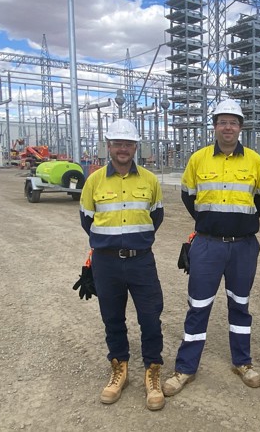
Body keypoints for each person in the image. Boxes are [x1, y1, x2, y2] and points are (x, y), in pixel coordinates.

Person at [163, 99, 260, 396]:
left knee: (240, 305)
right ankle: (186, 367)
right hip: (207, 245)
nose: (228, 127)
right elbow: (188, 195)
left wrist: (237, 224)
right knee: (198, 306)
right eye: (222, 122)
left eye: (233, 122)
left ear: (240, 127)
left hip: (243, 247)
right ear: (214, 126)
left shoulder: (255, 161)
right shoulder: (198, 160)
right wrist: (209, 222)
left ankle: (242, 362)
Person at [79, 118, 166, 411]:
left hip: (141, 261)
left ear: (135, 147)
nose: (123, 149)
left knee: (150, 317)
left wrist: (135, 240)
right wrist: (109, 242)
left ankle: (152, 370)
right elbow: (87, 220)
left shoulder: (150, 180)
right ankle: (119, 369)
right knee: (112, 318)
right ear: (108, 146)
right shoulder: (94, 181)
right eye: (118, 143)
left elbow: (156, 216)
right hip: (106, 263)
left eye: (128, 144)